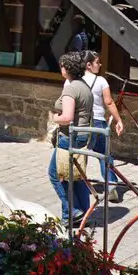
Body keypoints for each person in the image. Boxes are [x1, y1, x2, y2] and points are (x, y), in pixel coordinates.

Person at [48, 52, 94, 226]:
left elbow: (67, 117)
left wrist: (55, 118)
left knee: (56, 175)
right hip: (83, 135)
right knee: (77, 176)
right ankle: (80, 215)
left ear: (67, 68)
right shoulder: (84, 86)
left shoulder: (71, 88)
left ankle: (73, 211)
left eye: (62, 66)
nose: (60, 69)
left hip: (70, 137)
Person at [83, 51, 124, 202]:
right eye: (97, 62)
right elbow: (109, 102)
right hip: (98, 122)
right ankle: (111, 185)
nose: (100, 65)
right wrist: (118, 120)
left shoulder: (74, 80)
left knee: (80, 155)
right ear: (88, 64)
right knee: (105, 155)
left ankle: (78, 184)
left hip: (82, 123)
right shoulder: (101, 81)